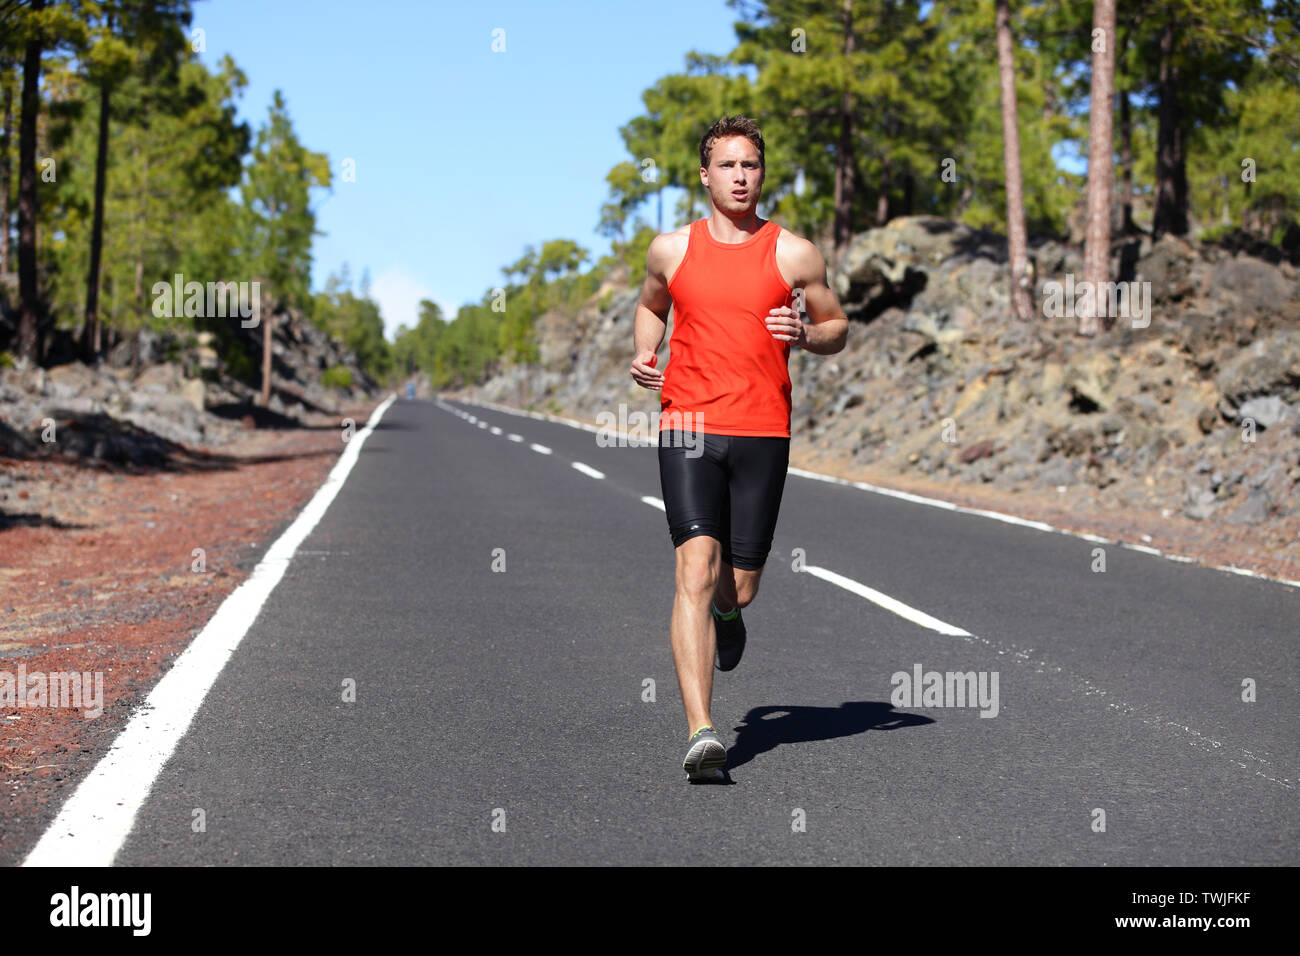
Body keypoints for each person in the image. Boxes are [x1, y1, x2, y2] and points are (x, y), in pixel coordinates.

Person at [629, 115, 848, 781]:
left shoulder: (794, 254)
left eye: (750, 164)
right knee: (692, 568)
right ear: (705, 174)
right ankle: (702, 731)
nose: (740, 176)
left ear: (762, 172)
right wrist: (646, 350)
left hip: (763, 430)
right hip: (688, 424)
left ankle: (729, 614)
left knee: (738, 587)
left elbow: (838, 326)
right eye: (727, 165)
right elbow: (651, 306)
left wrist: (806, 335)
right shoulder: (671, 250)